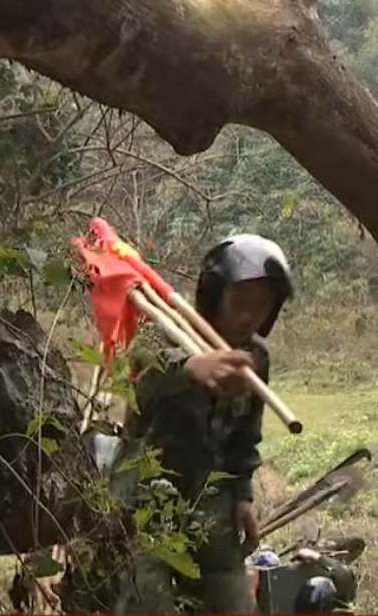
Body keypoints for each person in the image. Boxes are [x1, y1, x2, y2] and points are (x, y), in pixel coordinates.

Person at [113, 234, 294, 614]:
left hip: (208, 500)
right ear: (215, 296)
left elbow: (245, 440)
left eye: (262, 306)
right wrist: (190, 369)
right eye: (240, 302)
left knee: (236, 605)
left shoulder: (254, 360)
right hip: (146, 500)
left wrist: (243, 495)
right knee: (147, 604)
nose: (249, 315)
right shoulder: (162, 331)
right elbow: (138, 395)